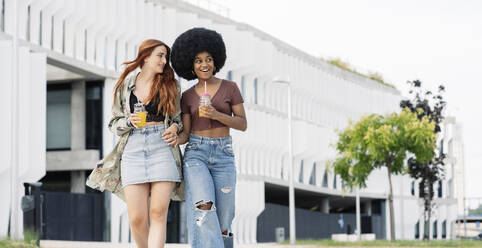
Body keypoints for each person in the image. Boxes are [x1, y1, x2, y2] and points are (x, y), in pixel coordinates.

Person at [86, 39, 184, 248]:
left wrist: (174, 129)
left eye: (166, 57)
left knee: (158, 213)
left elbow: (178, 120)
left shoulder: (171, 85)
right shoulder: (125, 85)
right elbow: (113, 123)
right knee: (137, 219)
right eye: (160, 55)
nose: (164, 61)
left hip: (162, 147)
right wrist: (129, 121)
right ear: (146, 56)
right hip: (133, 148)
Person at [171, 28, 247, 248]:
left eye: (208, 59)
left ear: (216, 61)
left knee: (224, 218)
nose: (204, 64)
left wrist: (217, 115)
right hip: (196, 154)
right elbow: (186, 133)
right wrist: (176, 136)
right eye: (197, 60)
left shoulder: (230, 88)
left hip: (224, 155)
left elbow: (242, 124)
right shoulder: (186, 96)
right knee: (204, 208)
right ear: (191, 65)